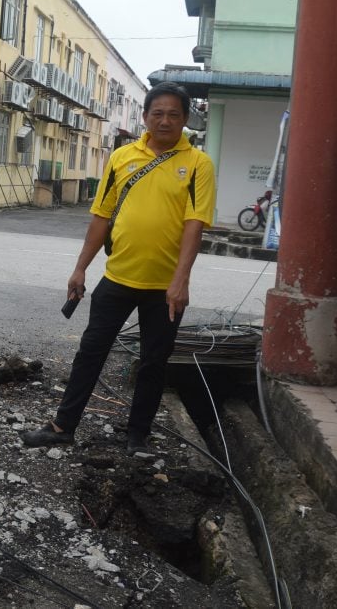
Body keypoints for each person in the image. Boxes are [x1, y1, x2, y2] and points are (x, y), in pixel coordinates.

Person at [21, 82, 216, 454]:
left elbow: (196, 225)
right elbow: (101, 215)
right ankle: (63, 426)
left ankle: (137, 435)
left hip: (165, 288)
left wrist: (180, 281)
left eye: (174, 114)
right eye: (157, 113)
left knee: (153, 363)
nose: (164, 121)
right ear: (144, 117)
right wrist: (80, 269)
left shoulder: (197, 165)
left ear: (186, 120)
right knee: (90, 352)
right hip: (117, 279)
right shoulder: (123, 157)